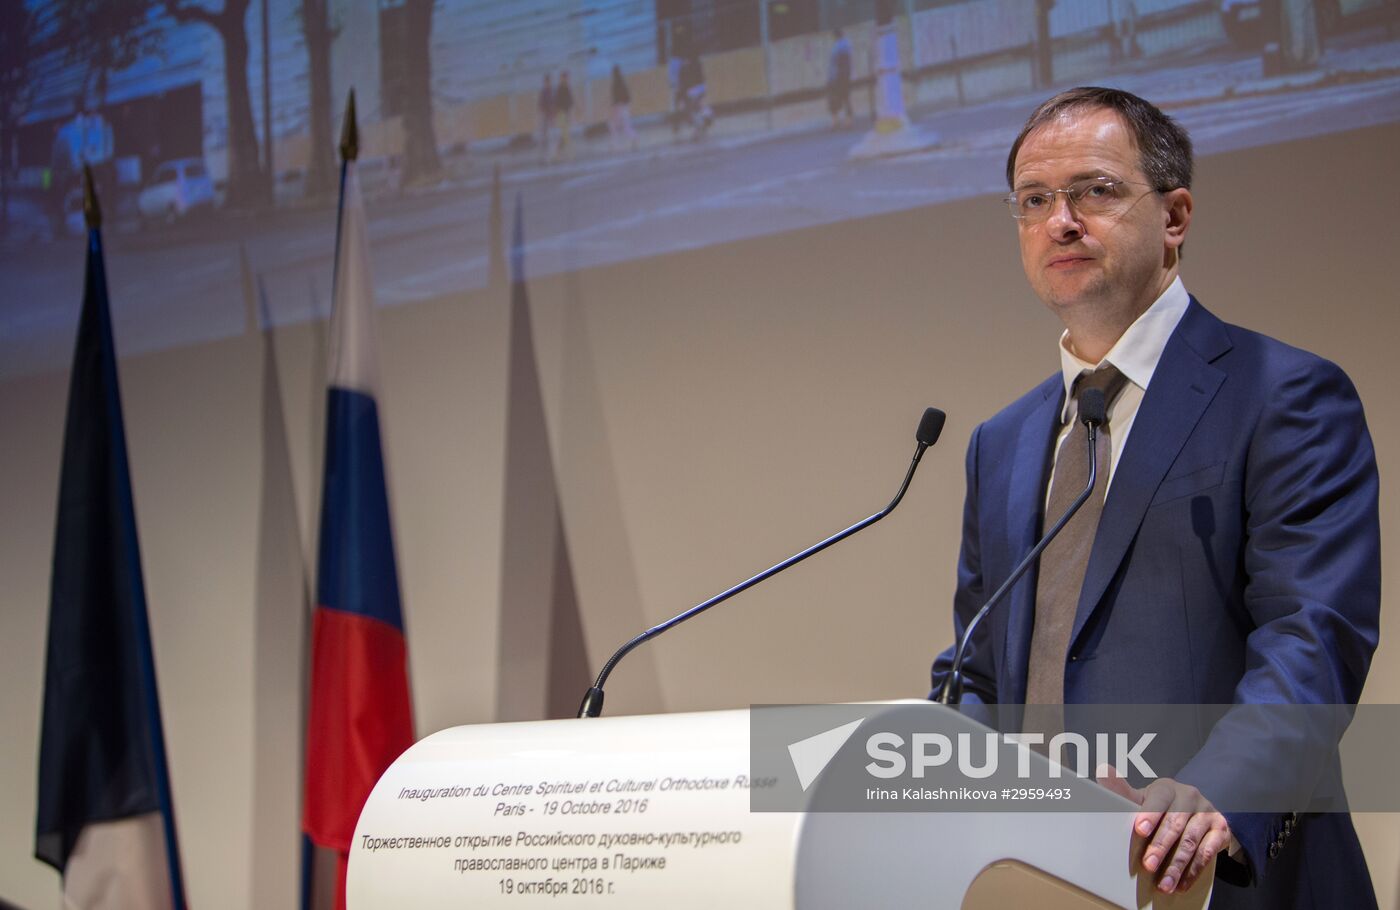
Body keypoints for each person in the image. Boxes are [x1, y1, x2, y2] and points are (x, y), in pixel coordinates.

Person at [928, 87, 1380, 908]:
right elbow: (979, 670)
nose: (1060, 221)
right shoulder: (1001, 441)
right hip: (1035, 882)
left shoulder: (1284, 396)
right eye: (1035, 201)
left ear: (1174, 217)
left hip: (1226, 879)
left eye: (1096, 191)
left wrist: (1216, 792)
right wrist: (926, 766)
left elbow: (1312, 635)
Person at [827, 28, 854, 129]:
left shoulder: (838, 46)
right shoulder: (847, 44)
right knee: (846, 98)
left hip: (838, 76)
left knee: (834, 98)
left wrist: (833, 77)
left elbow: (837, 62)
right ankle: (848, 121)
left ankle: (836, 121)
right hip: (845, 75)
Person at [609, 64, 638, 152]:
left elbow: (615, 97)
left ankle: (614, 144)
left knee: (615, 126)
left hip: (619, 106)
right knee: (625, 125)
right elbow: (627, 95)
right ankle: (634, 137)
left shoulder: (615, 83)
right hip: (625, 105)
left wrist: (615, 106)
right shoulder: (622, 81)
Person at [552, 70, 574, 162]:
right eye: (565, 77)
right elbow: (559, 102)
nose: (566, 79)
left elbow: (570, 101)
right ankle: (568, 154)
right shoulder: (561, 88)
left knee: (563, 135)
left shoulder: (565, 88)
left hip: (564, 113)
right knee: (565, 135)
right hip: (562, 114)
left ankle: (558, 154)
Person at [537, 74, 554, 162]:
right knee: (544, 133)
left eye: (549, 82)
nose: (548, 83)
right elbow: (541, 104)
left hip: (548, 115)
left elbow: (552, 103)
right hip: (545, 114)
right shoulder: (544, 92)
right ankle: (543, 153)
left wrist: (551, 113)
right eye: (547, 82)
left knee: (547, 134)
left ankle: (547, 153)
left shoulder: (550, 91)